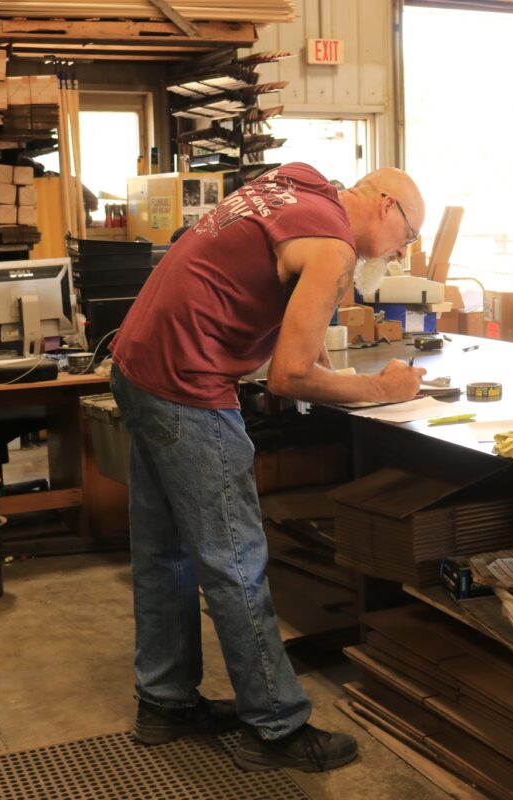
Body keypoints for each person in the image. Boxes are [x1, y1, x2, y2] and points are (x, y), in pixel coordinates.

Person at [108, 163, 426, 772]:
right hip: (187, 384)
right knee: (236, 564)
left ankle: (165, 701)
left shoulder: (299, 183)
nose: (403, 251)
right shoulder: (333, 246)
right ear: (386, 205)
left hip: (138, 364)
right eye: (407, 235)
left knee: (164, 550)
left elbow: (267, 290)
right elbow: (290, 376)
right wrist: (381, 388)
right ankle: (275, 728)